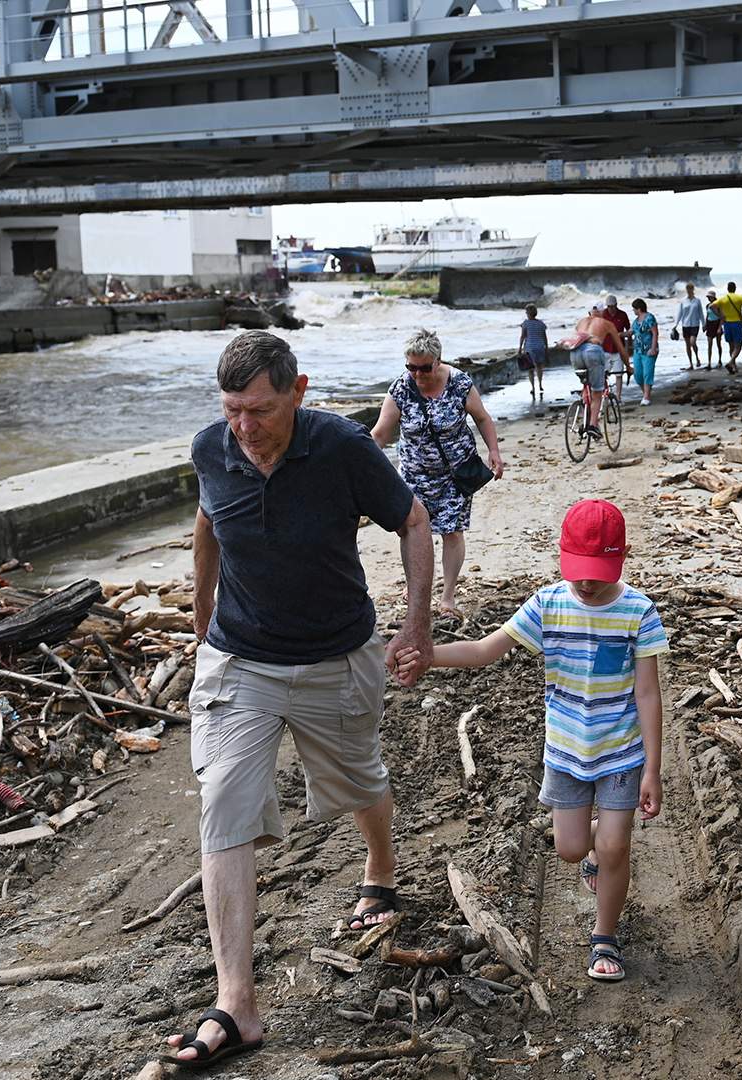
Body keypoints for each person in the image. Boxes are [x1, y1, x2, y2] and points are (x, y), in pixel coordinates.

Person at [168, 330, 435, 1069]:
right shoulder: (210, 448)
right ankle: (236, 1005)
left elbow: (413, 520)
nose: (244, 429)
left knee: (360, 783)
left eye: (259, 410)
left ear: (299, 390)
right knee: (223, 803)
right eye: (231, 411)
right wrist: (202, 622)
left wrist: (417, 621)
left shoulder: (343, 447)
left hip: (334, 658)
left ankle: (379, 866)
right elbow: (207, 526)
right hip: (239, 661)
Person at [398, 498, 665, 982]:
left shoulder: (638, 612)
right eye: (579, 570)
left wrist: (652, 768)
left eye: (598, 571)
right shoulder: (548, 604)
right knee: (570, 847)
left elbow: (648, 692)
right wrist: (427, 656)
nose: (586, 582)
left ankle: (605, 937)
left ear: (621, 559)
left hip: (621, 752)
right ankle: (591, 861)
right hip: (566, 752)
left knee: (615, 847)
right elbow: (484, 651)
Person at [372, 328, 506, 621]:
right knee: (411, 530)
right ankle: (417, 587)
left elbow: (482, 418)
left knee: (451, 531)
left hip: (455, 474)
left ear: (438, 360)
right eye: (411, 367)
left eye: (424, 367)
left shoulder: (459, 383)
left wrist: (494, 451)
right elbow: (380, 433)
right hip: (414, 474)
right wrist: (356, 461)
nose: (417, 374)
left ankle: (447, 596)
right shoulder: (400, 389)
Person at [558, 305, 625, 442]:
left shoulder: (581, 322)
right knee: (597, 391)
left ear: (589, 312)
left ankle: (583, 414)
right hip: (593, 352)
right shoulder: (606, 323)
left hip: (575, 353)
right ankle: (593, 425)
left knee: (586, 384)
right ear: (602, 312)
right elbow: (620, 348)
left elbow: (578, 338)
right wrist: (629, 367)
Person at [714, 281, 742, 373]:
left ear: (727, 289)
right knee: (738, 346)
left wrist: (720, 316)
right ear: (735, 288)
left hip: (727, 324)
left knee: (731, 346)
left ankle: (734, 366)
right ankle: (731, 362)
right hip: (737, 323)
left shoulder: (723, 299)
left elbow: (712, 306)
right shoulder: (739, 297)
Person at [628, 298, 659, 406]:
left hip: (649, 350)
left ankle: (646, 396)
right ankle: (646, 393)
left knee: (647, 373)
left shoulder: (649, 318)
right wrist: (618, 334)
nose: (633, 311)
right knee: (638, 374)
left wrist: (653, 348)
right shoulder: (636, 321)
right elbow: (631, 332)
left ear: (639, 309)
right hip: (638, 350)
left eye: (634, 309)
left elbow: (655, 333)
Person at [517, 304, 548, 400]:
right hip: (540, 347)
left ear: (528, 313)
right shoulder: (541, 324)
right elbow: (544, 337)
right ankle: (540, 385)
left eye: (526, 312)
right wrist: (546, 347)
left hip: (530, 348)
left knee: (530, 369)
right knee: (539, 367)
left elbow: (523, 336)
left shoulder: (525, 324)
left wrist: (520, 348)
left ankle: (533, 388)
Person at [675, 283, 704, 369]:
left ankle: (697, 358)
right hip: (685, 324)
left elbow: (701, 313)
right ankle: (691, 364)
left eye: (690, 289)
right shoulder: (683, 301)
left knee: (692, 342)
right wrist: (675, 324)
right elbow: (679, 313)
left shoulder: (697, 301)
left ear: (693, 290)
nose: (689, 291)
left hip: (695, 324)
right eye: (688, 289)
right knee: (687, 345)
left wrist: (704, 324)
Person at [702, 290, 723, 367]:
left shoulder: (718, 305)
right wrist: (705, 325)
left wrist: (720, 328)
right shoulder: (708, 306)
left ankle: (720, 360)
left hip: (717, 324)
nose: (708, 298)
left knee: (718, 344)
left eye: (709, 297)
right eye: (708, 297)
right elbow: (707, 316)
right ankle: (709, 363)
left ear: (713, 297)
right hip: (710, 324)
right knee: (709, 344)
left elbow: (722, 317)